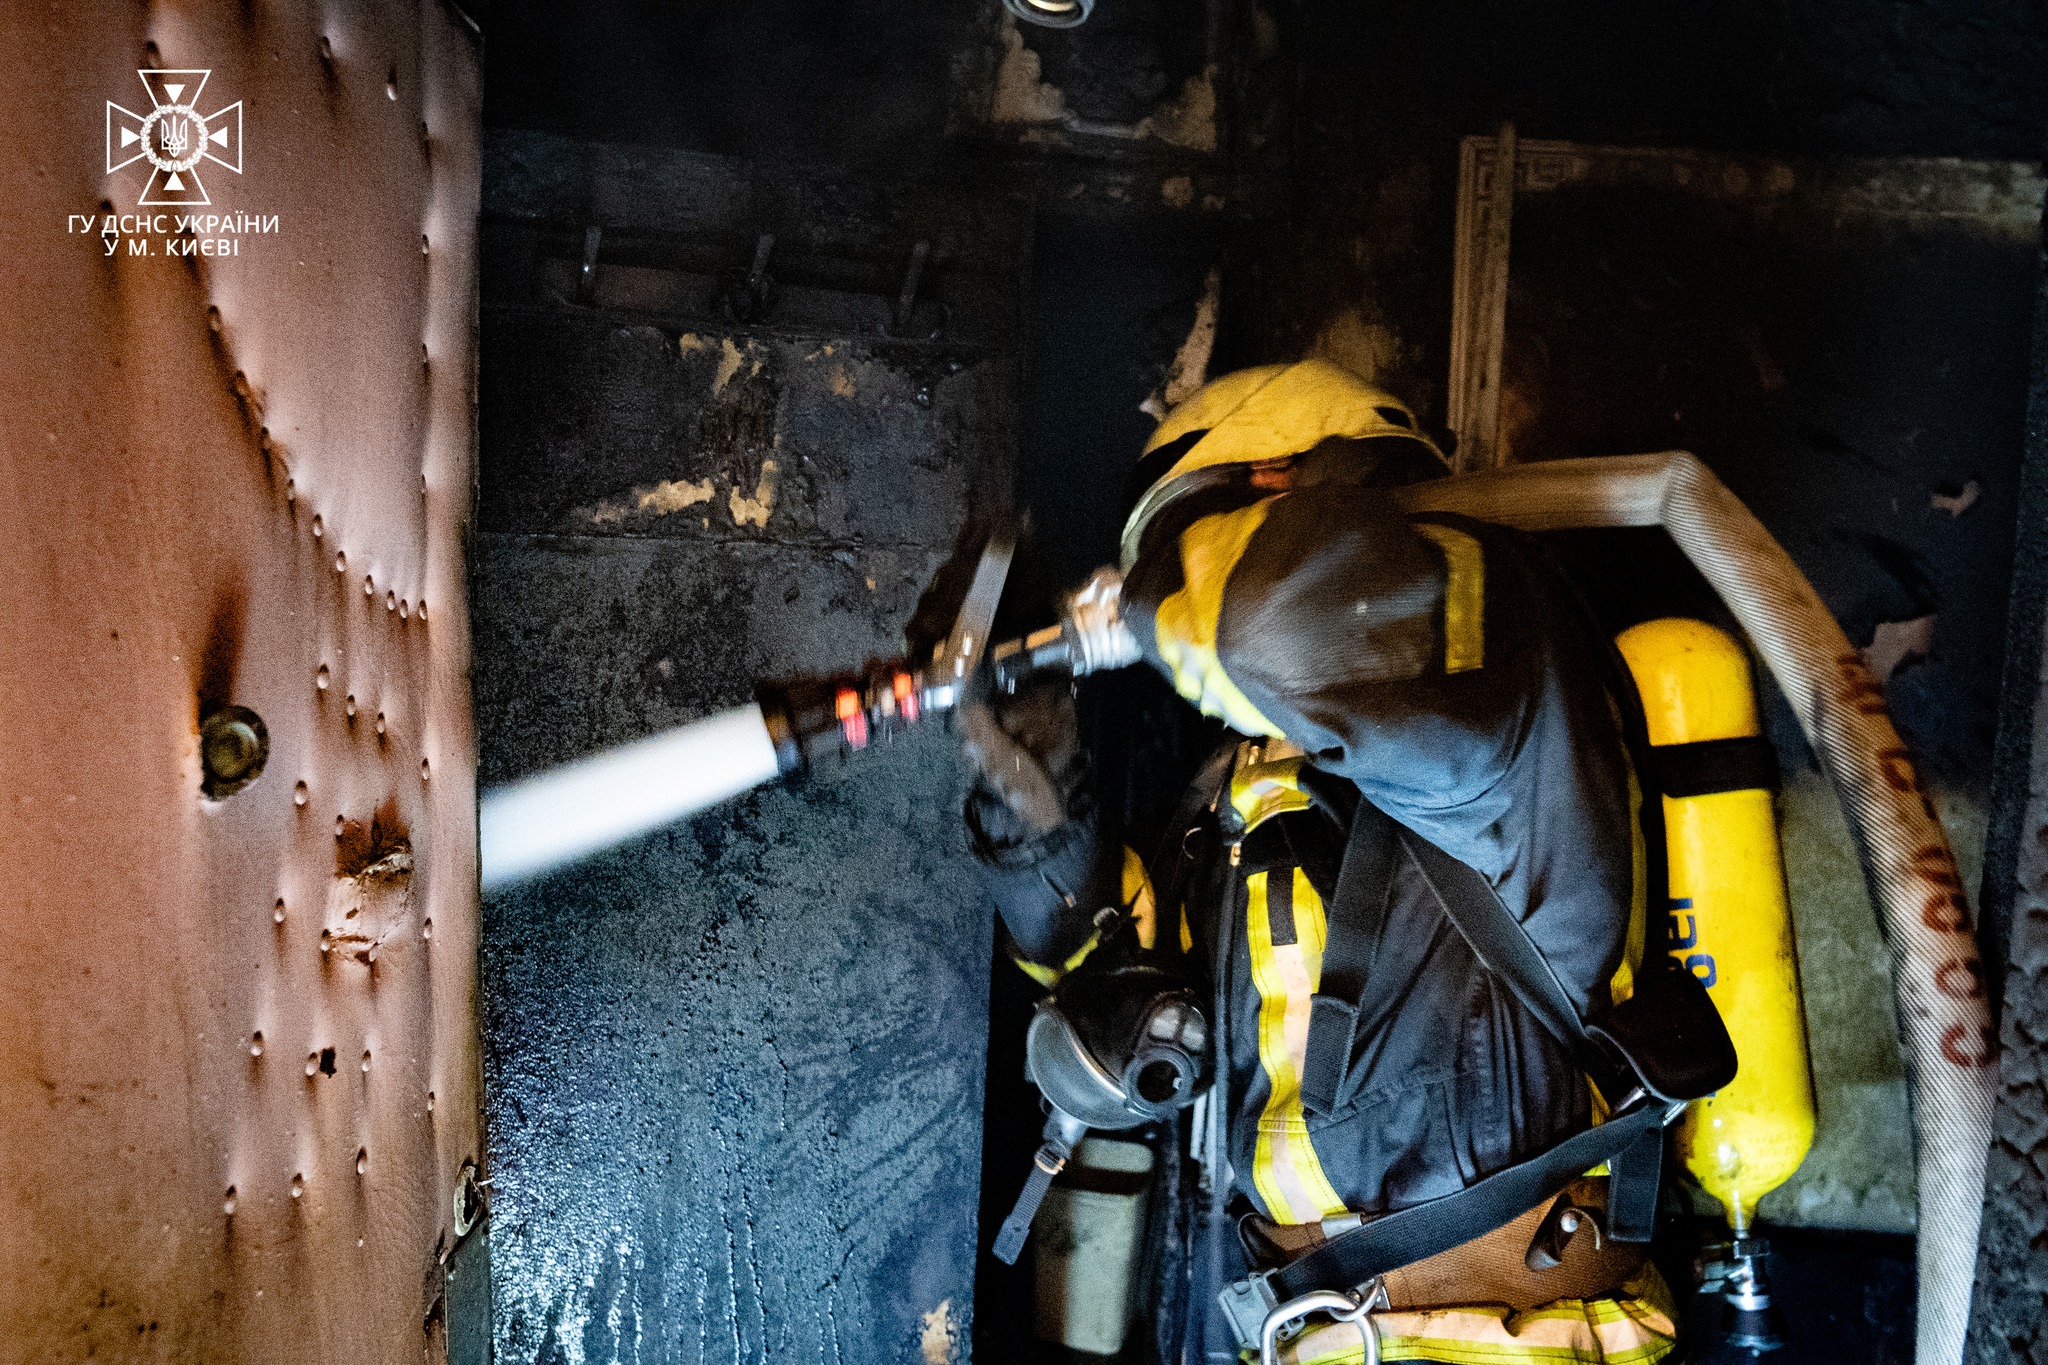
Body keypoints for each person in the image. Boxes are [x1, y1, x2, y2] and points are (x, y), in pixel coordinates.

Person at [964, 360, 1725, 1365]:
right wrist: (1029, 783)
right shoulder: (1245, 799)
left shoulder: (1493, 648)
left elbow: (1280, 619)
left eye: (1172, 547)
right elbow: (1110, 976)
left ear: (1275, 492)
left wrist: (1142, 596)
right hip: (1332, 1338)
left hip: (1514, 1343)